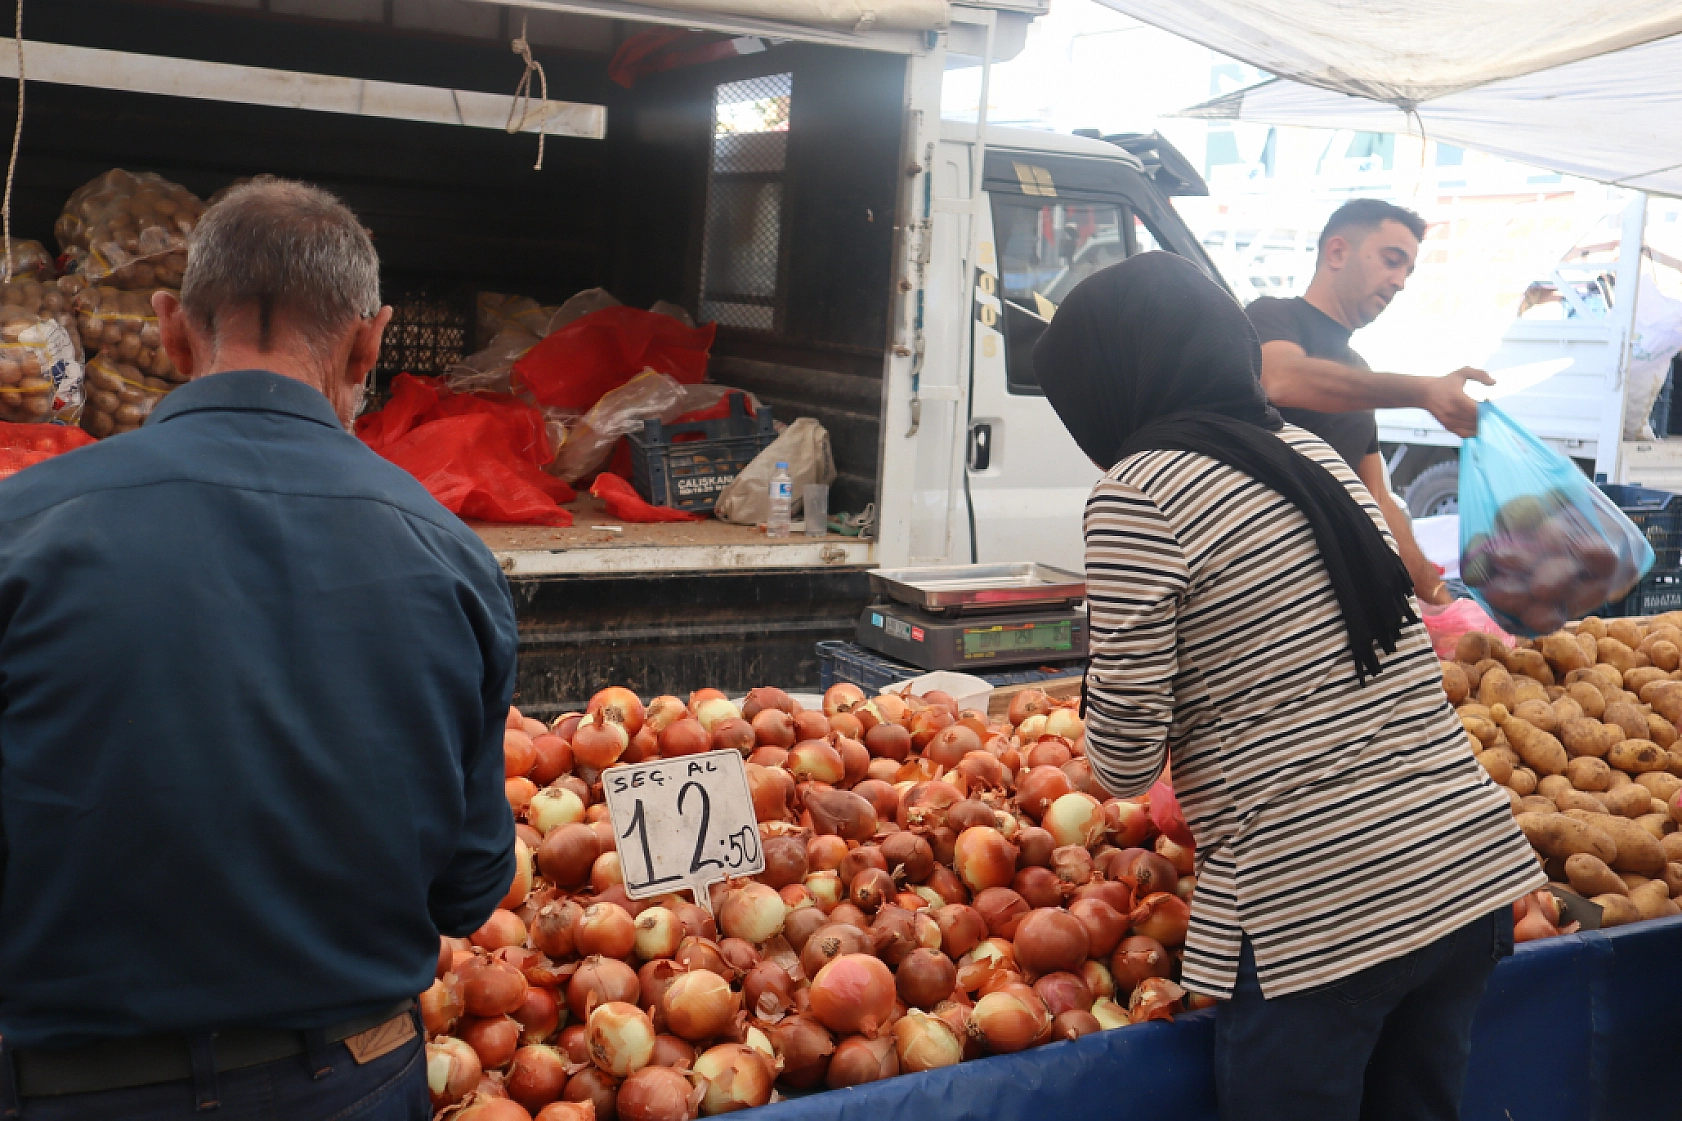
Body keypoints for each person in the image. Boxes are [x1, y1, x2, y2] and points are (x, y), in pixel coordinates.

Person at [0, 180, 517, 1119]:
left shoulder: (21, 529)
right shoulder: (451, 561)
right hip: (351, 1086)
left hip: (73, 1093)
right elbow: (469, 886)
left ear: (169, 327)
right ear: (370, 342)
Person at [1034, 252, 1544, 1121]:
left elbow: (1122, 759)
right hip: (1462, 874)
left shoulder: (1136, 491)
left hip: (1324, 909)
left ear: (1104, 380)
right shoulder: (1309, 450)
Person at [1247, 199, 1493, 605]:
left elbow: (1377, 498)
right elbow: (1282, 380)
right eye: (1392, 260)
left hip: (1322, 593)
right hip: (1258, 576)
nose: (1400, 281)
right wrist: (1422, 392)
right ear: (1338, 252)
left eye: (1408, 271)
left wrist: (1438, 597)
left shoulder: (1358, 372)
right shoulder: (1271, 316)